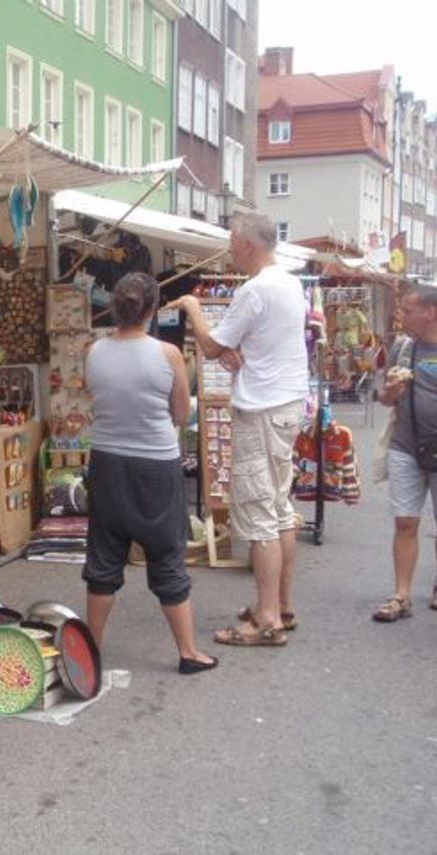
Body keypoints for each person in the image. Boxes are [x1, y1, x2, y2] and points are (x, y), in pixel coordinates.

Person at [168, 212, 308, 647]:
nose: (229, 248)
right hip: (285, 403)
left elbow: (211, 347)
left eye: (232, 240)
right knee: (280, 508)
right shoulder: (288, 282)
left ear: (248, 244)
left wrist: (191, 307)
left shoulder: (256, 289)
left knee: (258, 514)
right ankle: (281, 606)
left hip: (262, 409)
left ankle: (265, 619)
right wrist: (238, 350)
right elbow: (254, 342)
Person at [83, 272, 218, 675]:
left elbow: (96, 402)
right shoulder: (167, 355)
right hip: (155, 466)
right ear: (152, 309)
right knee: (166, 554)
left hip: (107, 461)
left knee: (104, 558)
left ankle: (91, 650)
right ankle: (188, 652)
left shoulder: (93, 352)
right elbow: (180, 414)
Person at [372, 284, 437, 621]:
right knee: (405, 521)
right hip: (406, 445)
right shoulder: (403, 348)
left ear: (430, 312)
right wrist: (391, 391)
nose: (401, 316)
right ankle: (401, 595)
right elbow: (382, 397)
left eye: (408, 309)